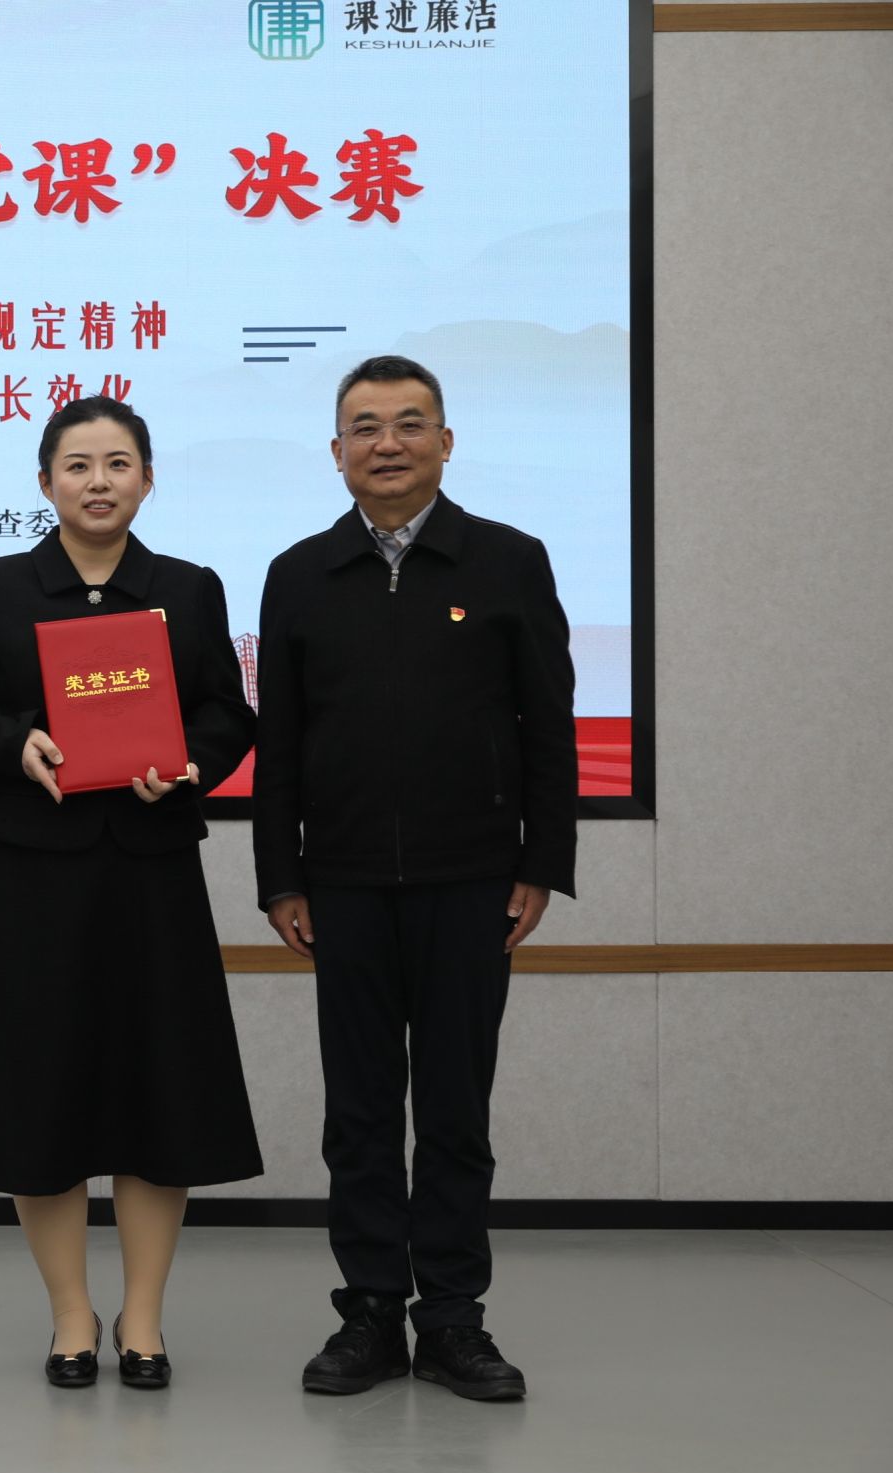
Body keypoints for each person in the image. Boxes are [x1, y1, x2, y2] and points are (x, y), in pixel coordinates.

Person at [0, 396, 264, 1390]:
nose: (97, 480)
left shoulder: (187, 588)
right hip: (32, 871)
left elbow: (227, 714)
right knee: (41, 1092)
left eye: (117, 462)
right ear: (44, 482)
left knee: (161, 1088)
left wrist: (189, 765)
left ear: (146, 478)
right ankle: (71, 1314)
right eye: (77, 464)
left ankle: (142, 1316)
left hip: (151, 870)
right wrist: (13, 742)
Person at [253, 355, 577, 1402]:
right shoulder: (299, 573)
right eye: (364, 426)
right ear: (335, 450)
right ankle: (367, 1314)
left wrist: (540, 863)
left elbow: (549, 727)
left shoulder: (508, 561)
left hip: (471, 883)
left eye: (407, 423)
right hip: (341, 886)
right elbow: (279, 743)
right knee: (356, 1113)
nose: (385, 443)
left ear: (445, 441)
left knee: (451, 1113)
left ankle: (451, 1319)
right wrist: (280, 876)